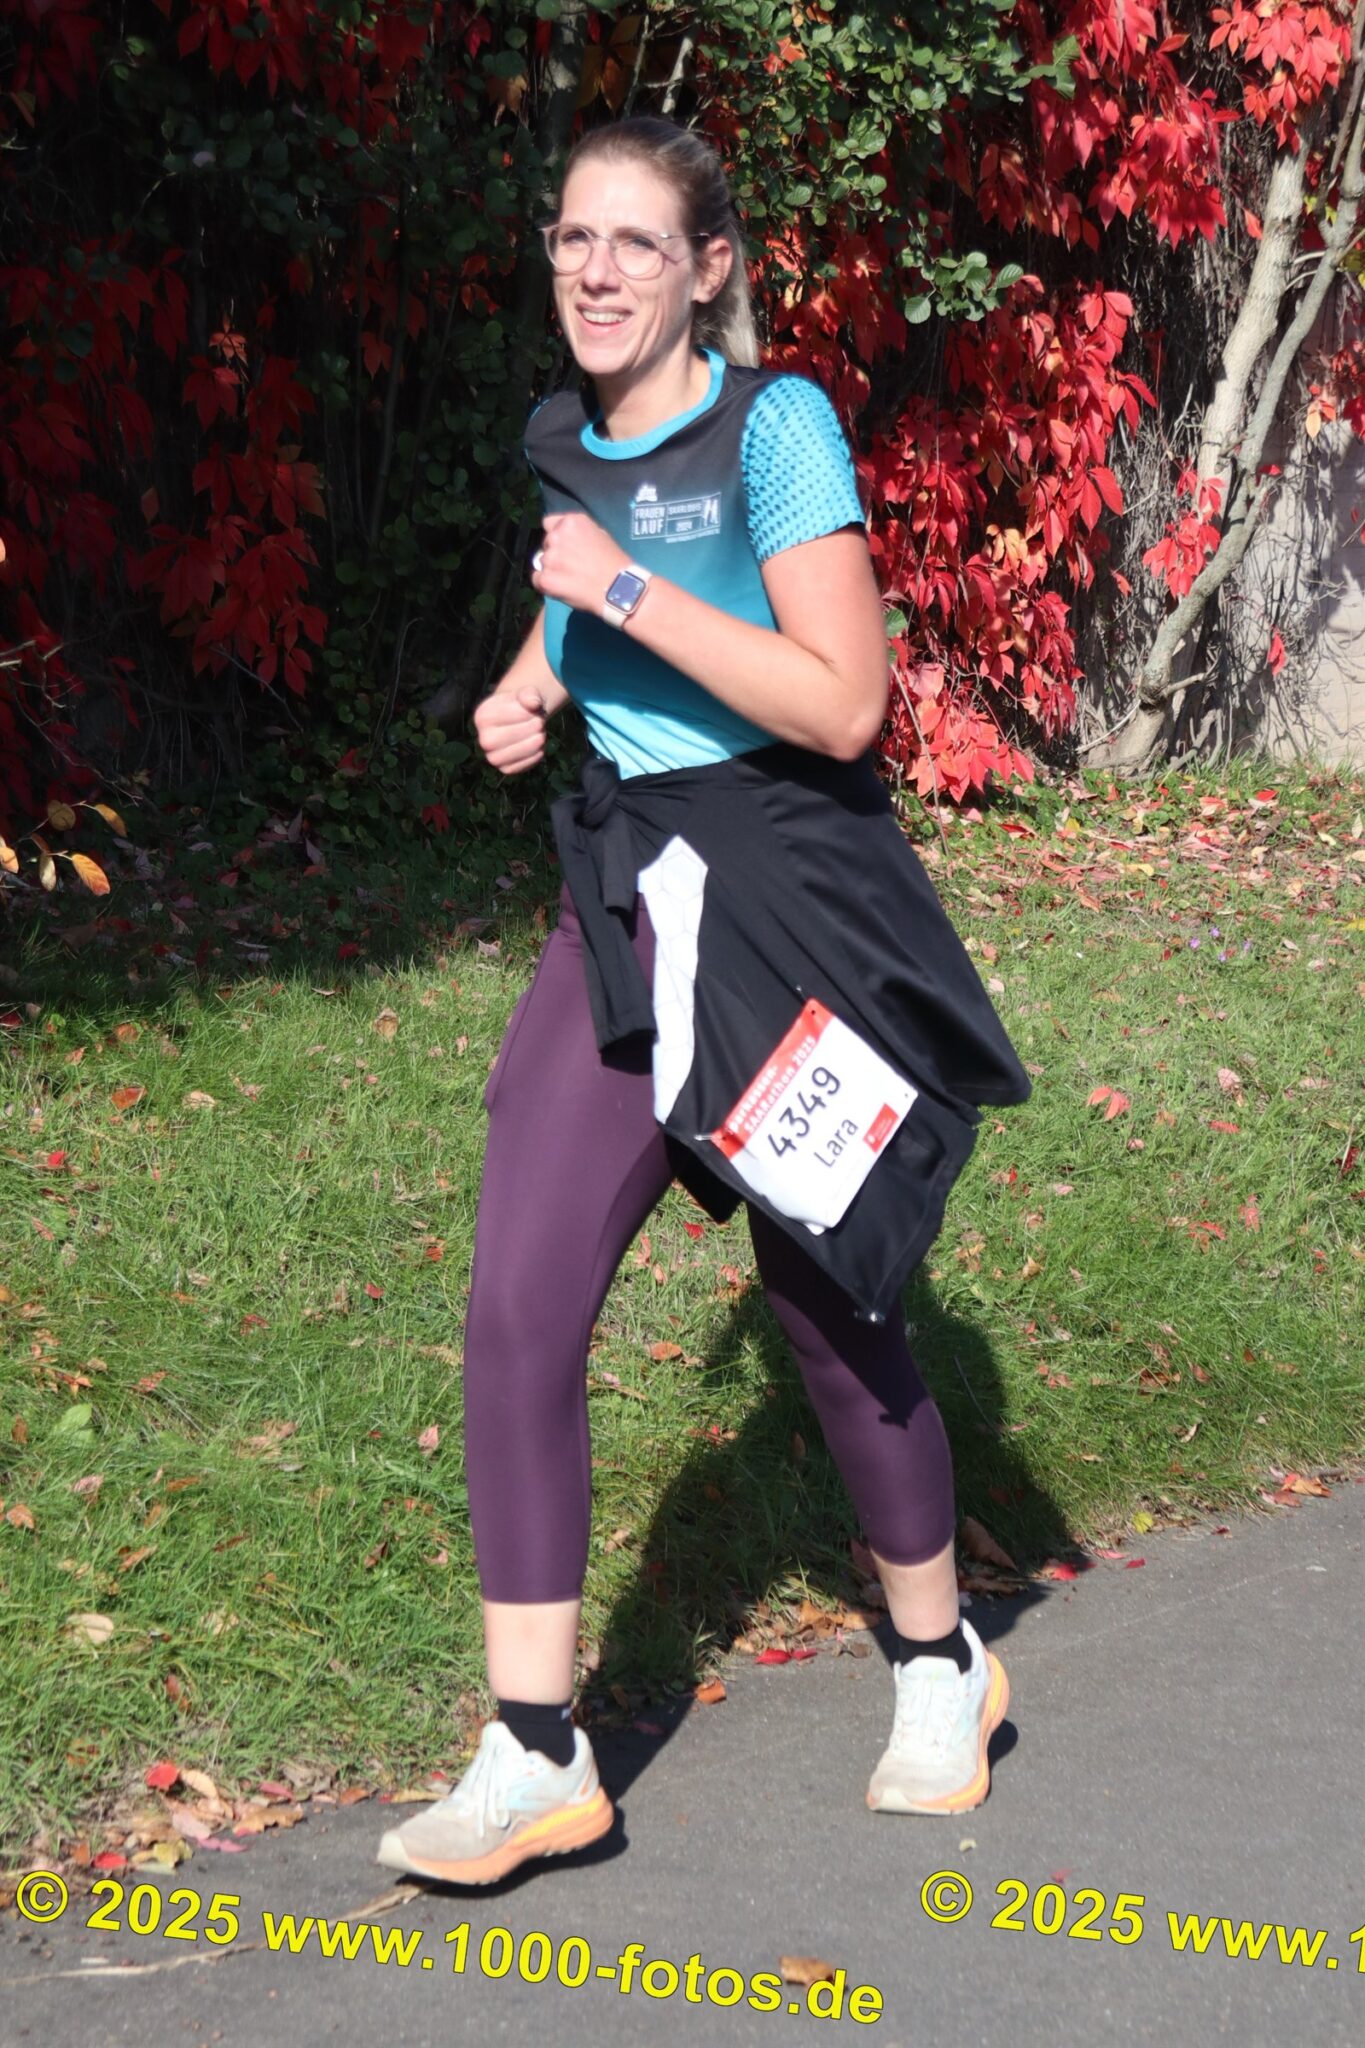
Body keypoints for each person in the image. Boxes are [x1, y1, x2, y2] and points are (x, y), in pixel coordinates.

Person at [377, 114, 1013, 1890]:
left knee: (827, 1301)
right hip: (625, 900)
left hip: (790, 902)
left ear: (706, 267)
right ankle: (534, 1752)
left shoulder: (772, 427)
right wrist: (531, 682)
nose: (593, 271)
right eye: (571, 237)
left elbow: (840, 704)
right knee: (518, 1303)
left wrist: (621, 593)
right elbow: (580, 598)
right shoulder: (565, 439)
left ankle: (938, 1662)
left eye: (634, 242)